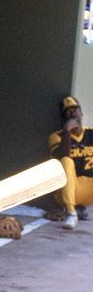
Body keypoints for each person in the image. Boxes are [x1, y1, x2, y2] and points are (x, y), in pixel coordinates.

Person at [48, 96, 93, 230]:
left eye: (75, 109)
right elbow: (63, 155)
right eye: (68, 111)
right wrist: (67, 131)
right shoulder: (56, 136)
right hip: (67, 192)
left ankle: (80, 208)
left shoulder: (91, 133)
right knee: (66, 162)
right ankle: (71, 212)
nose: (72, 112)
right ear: (64, 117)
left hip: (89, 191)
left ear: (81, 112)